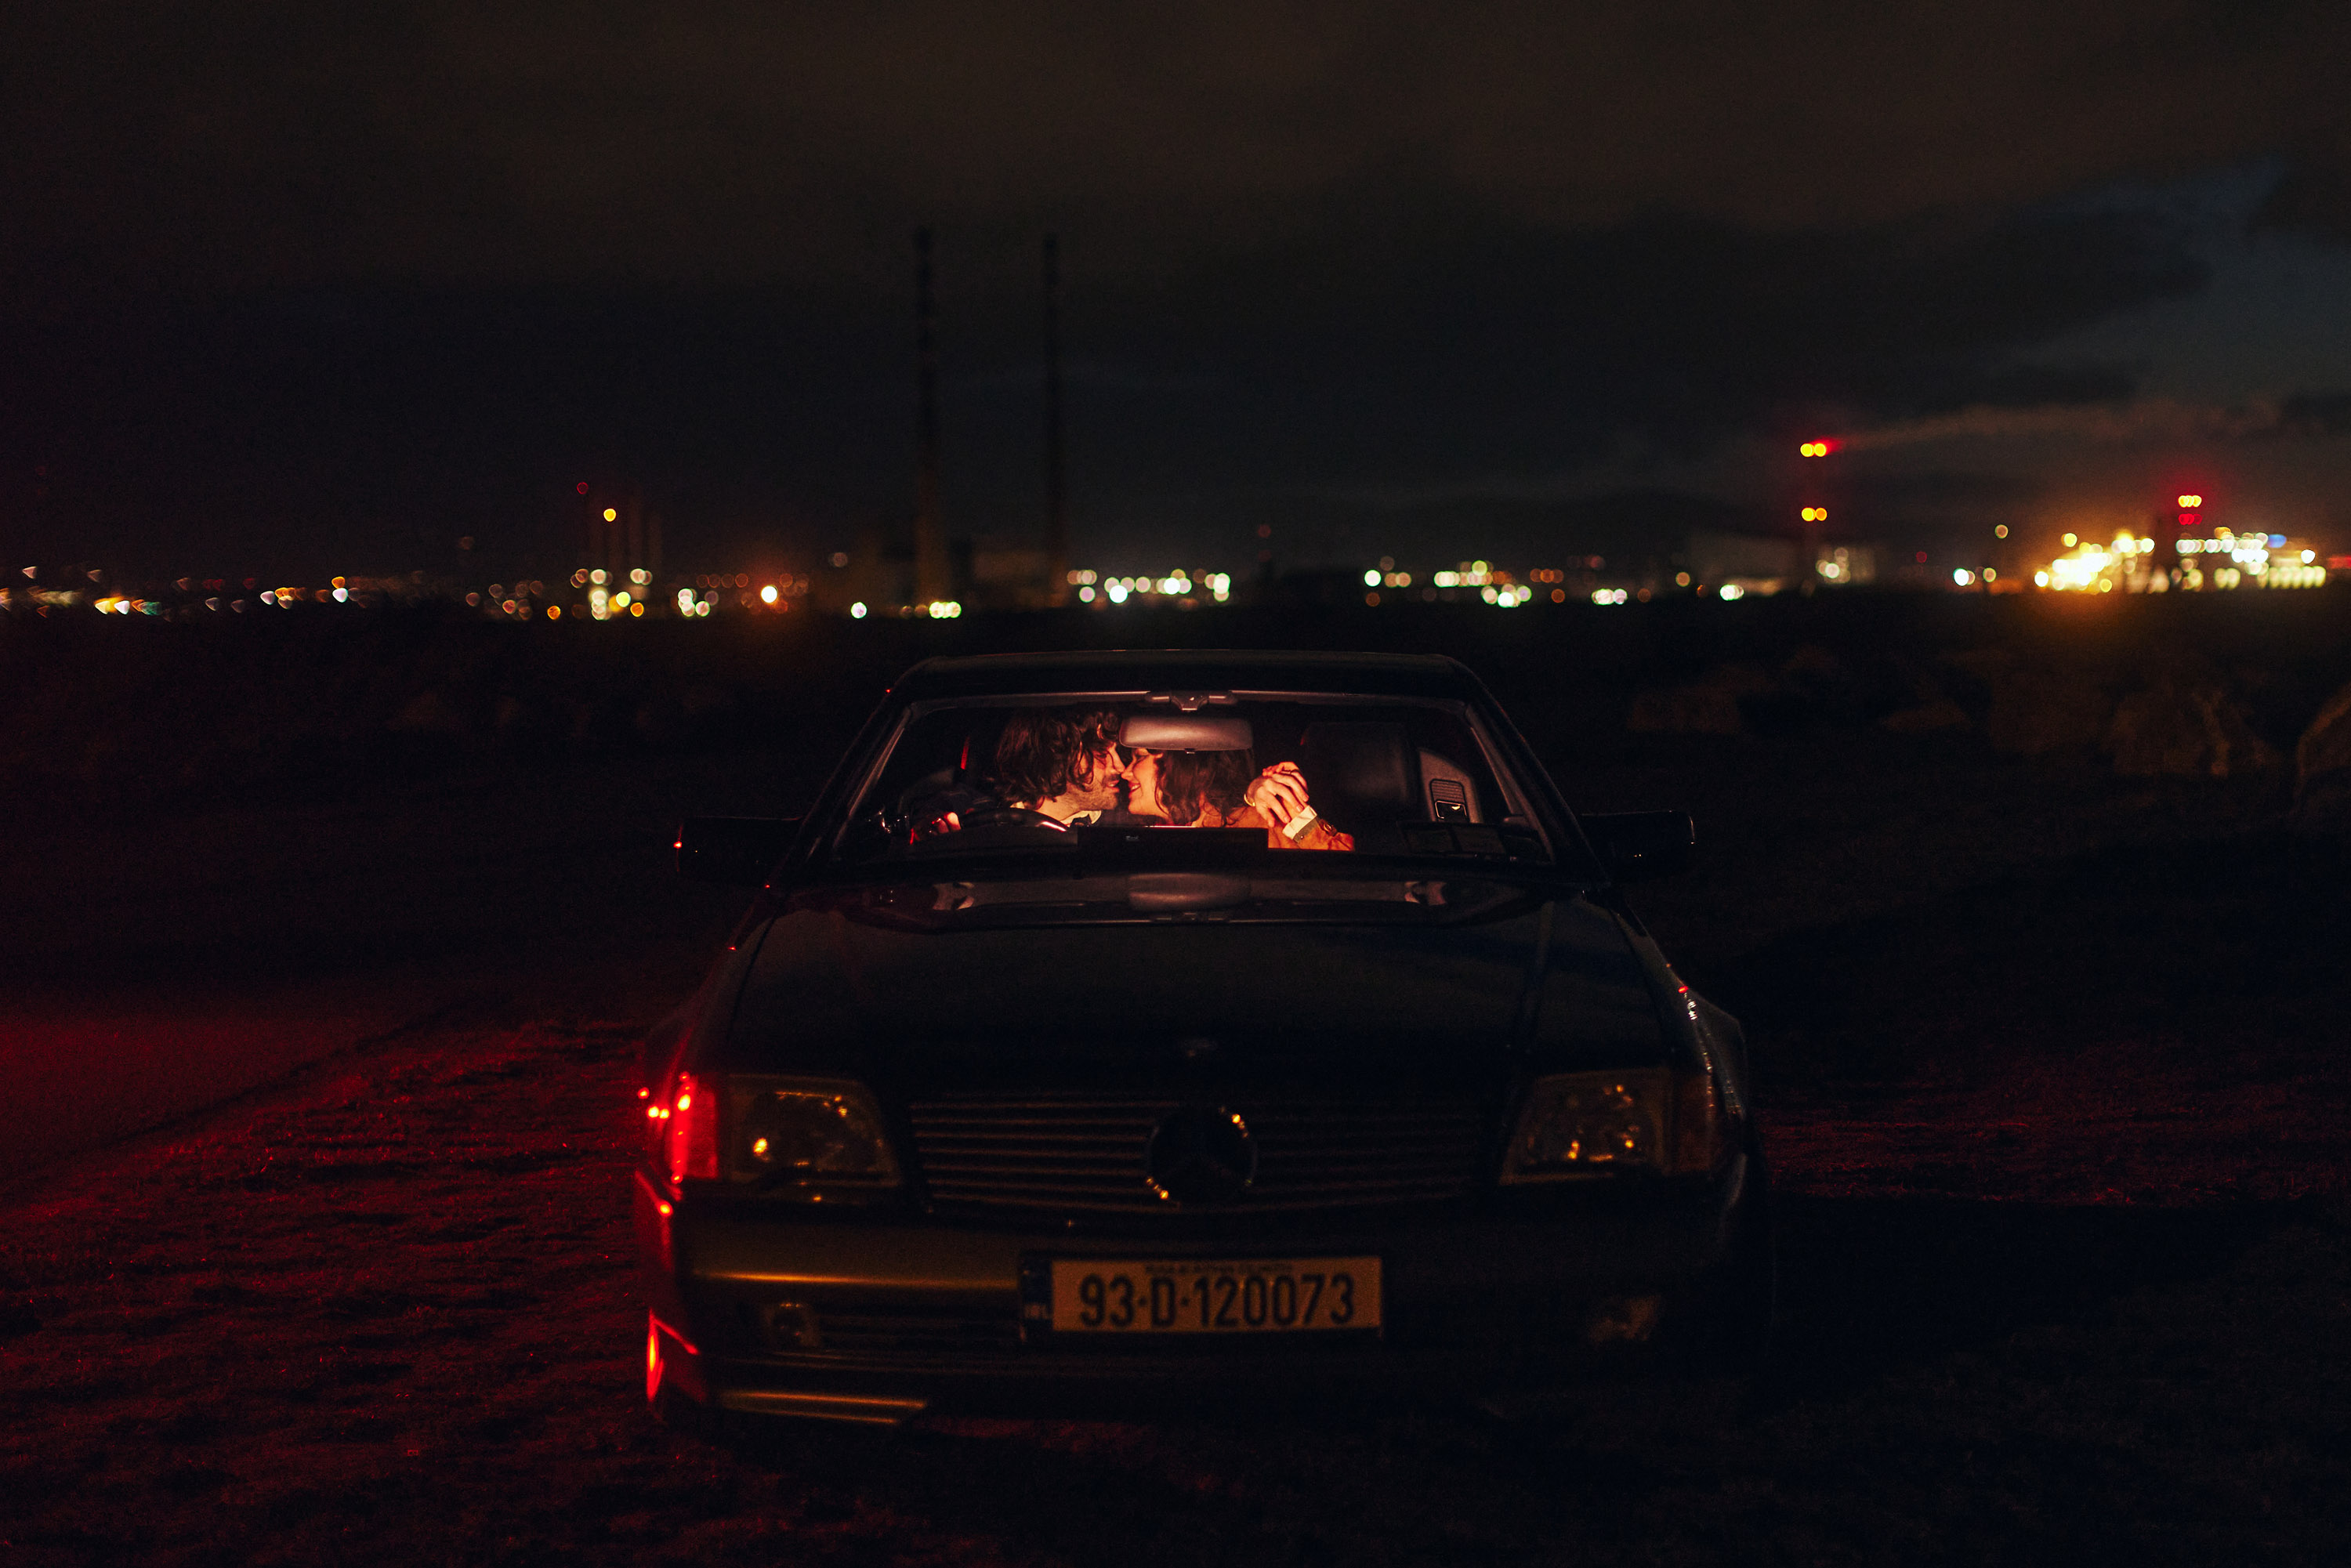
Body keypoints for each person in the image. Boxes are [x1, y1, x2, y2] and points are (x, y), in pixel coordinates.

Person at [909, 707, 1126, 841]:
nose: (1120, 767)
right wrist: (932, 828)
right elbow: (925, 817)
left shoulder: (1122, 826)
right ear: (1053, 756)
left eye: (1116, 752)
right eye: (1101, 754)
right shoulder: (974, 810)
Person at [1122, 746, 1354, 850]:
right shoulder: (1138, 835)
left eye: (1139, 757)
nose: (1126, 772)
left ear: (1177, 765)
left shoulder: (1256, 824)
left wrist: (1292, 808)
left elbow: (1343, 881)